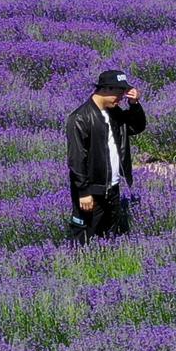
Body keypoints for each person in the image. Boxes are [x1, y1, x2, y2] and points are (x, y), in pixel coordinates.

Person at [65, 68, 145, 241]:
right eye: (120, 92)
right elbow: (76, 159)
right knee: (86, 237)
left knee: (110, 236)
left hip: (112, 187)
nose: (122, 97)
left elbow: (136, 127)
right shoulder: (80, 118)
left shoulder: (114, 113)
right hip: (92, 190)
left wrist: (135, 105)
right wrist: (84, 192)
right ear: (105, 89)